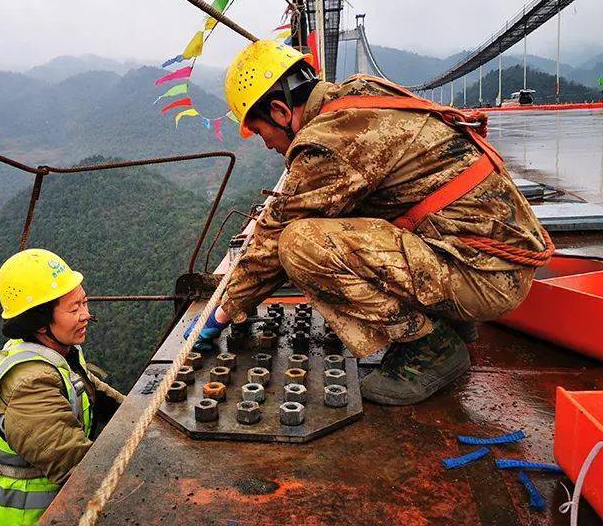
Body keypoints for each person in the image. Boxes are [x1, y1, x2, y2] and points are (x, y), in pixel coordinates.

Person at [188, 40, 551, 406]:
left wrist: (220, 311)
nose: (268, 145)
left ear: (281, 111)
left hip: (483, 276)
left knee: (298, 244)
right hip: (490, 257)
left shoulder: (328, 142)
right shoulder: (360, 93)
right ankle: (453, 319)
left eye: (262, 132)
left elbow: (273, 240)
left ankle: (429, 348)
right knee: (343, 216)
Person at [0, 248, 124, 525]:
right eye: (74, 308)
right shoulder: (28, 388)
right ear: (39, 324)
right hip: (24, 519)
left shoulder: (56, 351)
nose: (86, 314)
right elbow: (77, 468)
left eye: (84, 303)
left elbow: (91, 388)